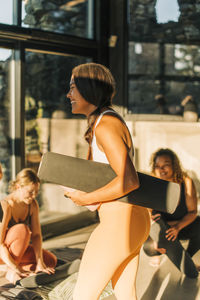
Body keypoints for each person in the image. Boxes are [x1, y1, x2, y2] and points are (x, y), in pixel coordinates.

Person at [64, 62, 150, 300]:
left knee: (83, 296)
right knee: (125, 294)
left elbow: (129, 180)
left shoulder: (107, 125)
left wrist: (85, 198)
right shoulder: (103, 121)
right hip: (130, 219)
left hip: (119, 222)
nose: (68, 94)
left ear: (88, 88)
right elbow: (115, 177)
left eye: (73, 87)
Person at [143, 148, 200, 270]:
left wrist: (177, 227)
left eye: (166, 165)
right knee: (149, 248)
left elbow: (193, 212)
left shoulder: (186, 181)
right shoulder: (152, 186)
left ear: (174, 166)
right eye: (157, 166)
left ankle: (187, 258)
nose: (161, 169)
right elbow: (148, 217)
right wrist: (155, 235)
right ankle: (159, 253)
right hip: (162, 229)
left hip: (182, 225)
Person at [0, 168, 57, 283]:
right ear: (18, 187)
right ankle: (11, 269)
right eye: (30, 192)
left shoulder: (32, 205)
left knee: (50, 261)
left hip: (16, 251)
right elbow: (0, 243)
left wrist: (40, 263)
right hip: (2, 252)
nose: (33, 196)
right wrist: (16, 267)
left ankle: (14, 268)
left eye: (36, 192)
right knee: (22, 230)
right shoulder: (6, 205)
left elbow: (36, 235)